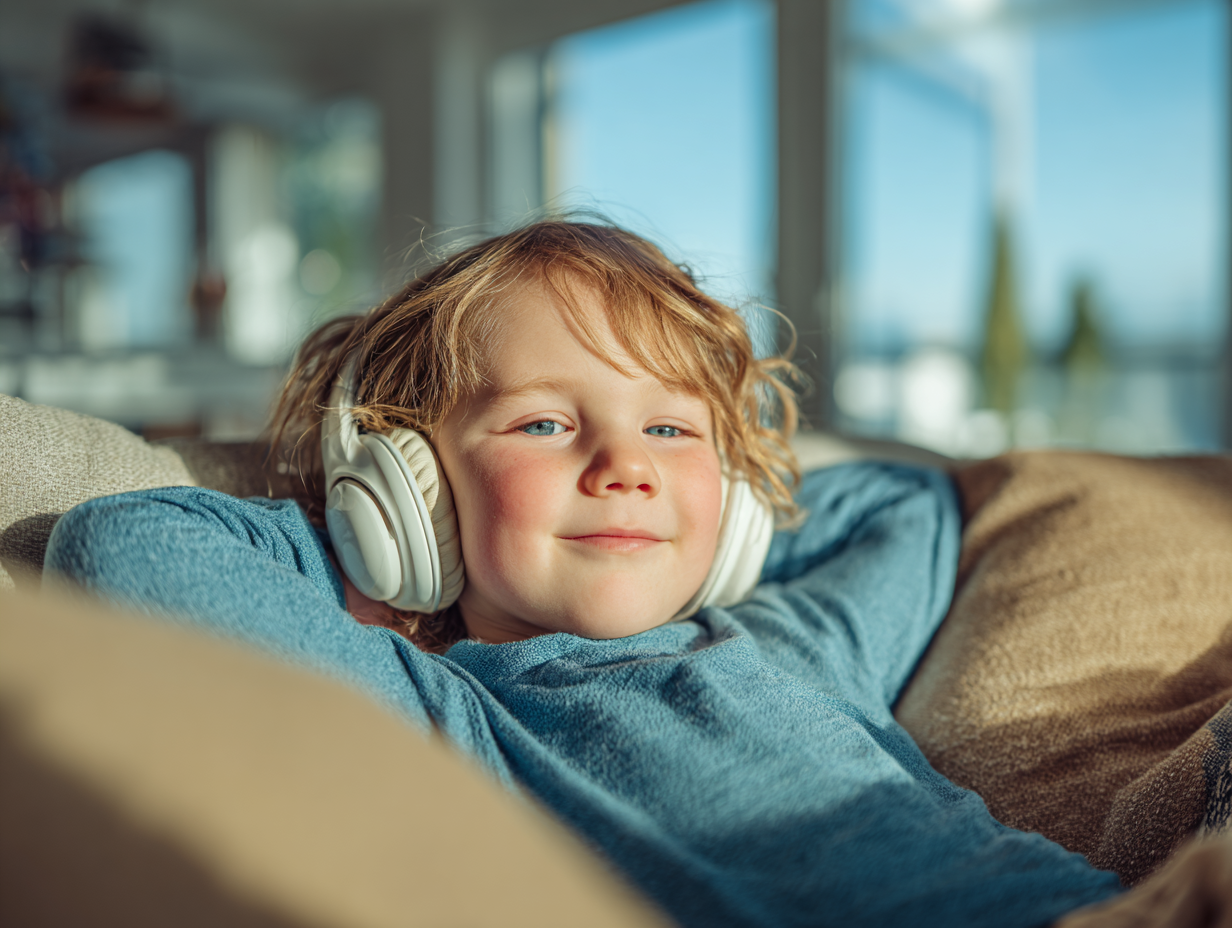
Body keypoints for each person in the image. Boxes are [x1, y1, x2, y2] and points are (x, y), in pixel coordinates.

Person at [44, 220, 1123, 927]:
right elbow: (127, 543)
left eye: (668, 426)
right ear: (417, 489)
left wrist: (733, 523)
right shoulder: (441, 712)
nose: (625, 467)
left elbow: (902, 502)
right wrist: (369, 544)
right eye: (546, 423)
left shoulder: (795, 641)